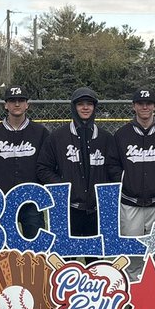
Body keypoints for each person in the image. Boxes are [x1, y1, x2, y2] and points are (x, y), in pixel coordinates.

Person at [37, 87, 115, 239]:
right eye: (80, 104)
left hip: (97, 209)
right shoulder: (58, 137)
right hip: (67, 209)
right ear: (74, 107)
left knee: (96, 260)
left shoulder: (106, 138)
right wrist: (64, 187)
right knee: (67, 259)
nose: (85, 108)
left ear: (94, 107)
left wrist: (104, 194)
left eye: (89, 104)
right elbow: (43, 168)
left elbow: (114, 169)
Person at [0, 85, 50, 239]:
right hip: (2, 200)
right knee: (2, 248)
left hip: (32, 200)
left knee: (36, 246)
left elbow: (47, 164)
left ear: (27, 104)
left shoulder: (40, 132)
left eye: (21, 100)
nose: (17, 104)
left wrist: (42, 190)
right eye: (12, 100)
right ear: (5, 105)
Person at [110, 87, 155, 242]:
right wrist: (124, 180)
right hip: (129, 203)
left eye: (149, 103)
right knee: (131, 252)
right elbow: (112, 164)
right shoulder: (121, 134)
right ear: (133, 106)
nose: (145, 107)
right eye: (140, 103)